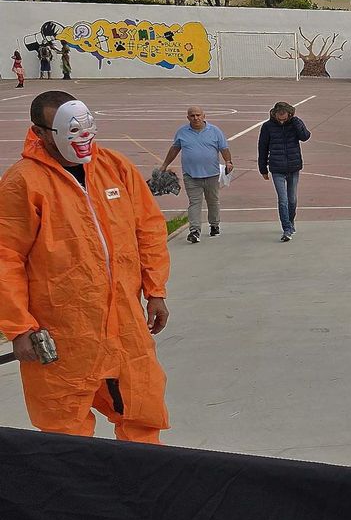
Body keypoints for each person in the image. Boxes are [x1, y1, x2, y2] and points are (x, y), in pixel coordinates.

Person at [0, 91, 172, 443]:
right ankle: (78, 495)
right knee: (66, 430)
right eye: (71, 129)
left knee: (141, 411)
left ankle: (142, 488)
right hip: (63, 332)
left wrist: (155, 291)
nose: (83, 137)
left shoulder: (115, 167)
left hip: (125, 326)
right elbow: (6, 257)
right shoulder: (24, 182)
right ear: (42, 132)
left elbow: (148, 228)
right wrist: (18, 328)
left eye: (87, 127)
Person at [161, 106, 234, 244]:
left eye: (198, 115)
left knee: (212, 201)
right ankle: (194, 230)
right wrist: (164, 165)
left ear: (204, 116)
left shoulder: (215, 131)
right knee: (194, 202)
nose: (196, 118)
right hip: (191, 175)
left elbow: (224, 148)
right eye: (192, 115)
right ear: (188, 117)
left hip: (212, 174)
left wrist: (228, 162)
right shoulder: (182, 132)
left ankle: (214, 224)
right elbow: (175, 149)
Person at [258, 101, 310, 242]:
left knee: (292, 200)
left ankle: (291, 222)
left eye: (284, 114)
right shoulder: (267, 127)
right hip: (277, 168)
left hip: (293, 167)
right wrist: (262, 168)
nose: (281, 116)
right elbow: (262, 147)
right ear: (274, 113)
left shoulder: (294, 124)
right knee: (283, 200)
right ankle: (286, 228)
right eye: (279, 114)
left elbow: (305, 137)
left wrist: (297, 123)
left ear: (289, 114)